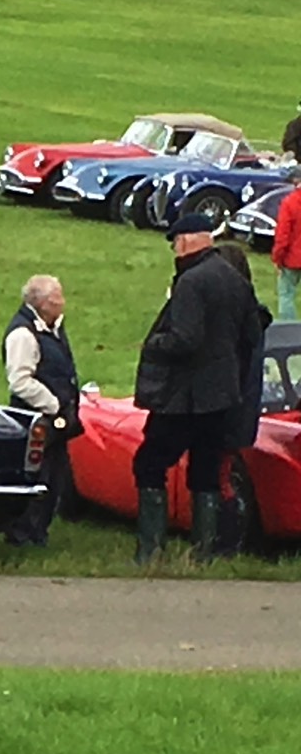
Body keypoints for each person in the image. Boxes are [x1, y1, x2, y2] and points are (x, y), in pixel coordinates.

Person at [132, 214, 263, 564]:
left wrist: (154, 344)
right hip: (222, 397)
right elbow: (254, 331)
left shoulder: (191, 282)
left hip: (184, 398)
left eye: (176, 242)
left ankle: (150, 551)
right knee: (204, 474)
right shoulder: (234, 279)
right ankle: (203, 553)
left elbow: (185, 339)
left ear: (188, 241)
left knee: (148, 464)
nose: (175, 249)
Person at [1, 275, 82, 548]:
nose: (63, 302)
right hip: (35, 420)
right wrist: (54, 404)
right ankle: (22, 534)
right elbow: (20, 381)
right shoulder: (23, 334)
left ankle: (38, 533)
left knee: (55, 477)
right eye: (57, 297)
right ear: (42, 303)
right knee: (36, 476)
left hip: (56, 422)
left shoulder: (53, 329)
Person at [212, 242, 272, 555]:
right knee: (222, 475)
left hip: (228, 409)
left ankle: (226, 542)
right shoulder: (253, 317)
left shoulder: (239, 321)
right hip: (241, 408)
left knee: (220, 478)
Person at [270, 167, 301, 321]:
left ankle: (290, 332)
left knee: (286, 295)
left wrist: (277, 258)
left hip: (292, 258)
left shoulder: (289, 203)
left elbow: (283, 235)